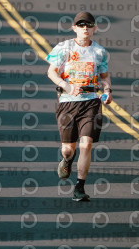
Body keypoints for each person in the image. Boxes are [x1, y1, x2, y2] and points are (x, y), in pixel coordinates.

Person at [46, 11, 112, 202]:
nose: (85, 28)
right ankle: (67, 159)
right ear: (74, 28)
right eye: (81, 25)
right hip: (67, 103)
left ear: (94, 28)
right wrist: (67, 86)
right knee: (68, 148)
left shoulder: (99, 52)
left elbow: (105, 76)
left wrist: (107, 90)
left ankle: (79, 187)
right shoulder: (64, 47)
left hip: (91, 102)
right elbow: (51, 72)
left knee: (86, 144)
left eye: (89, 25)